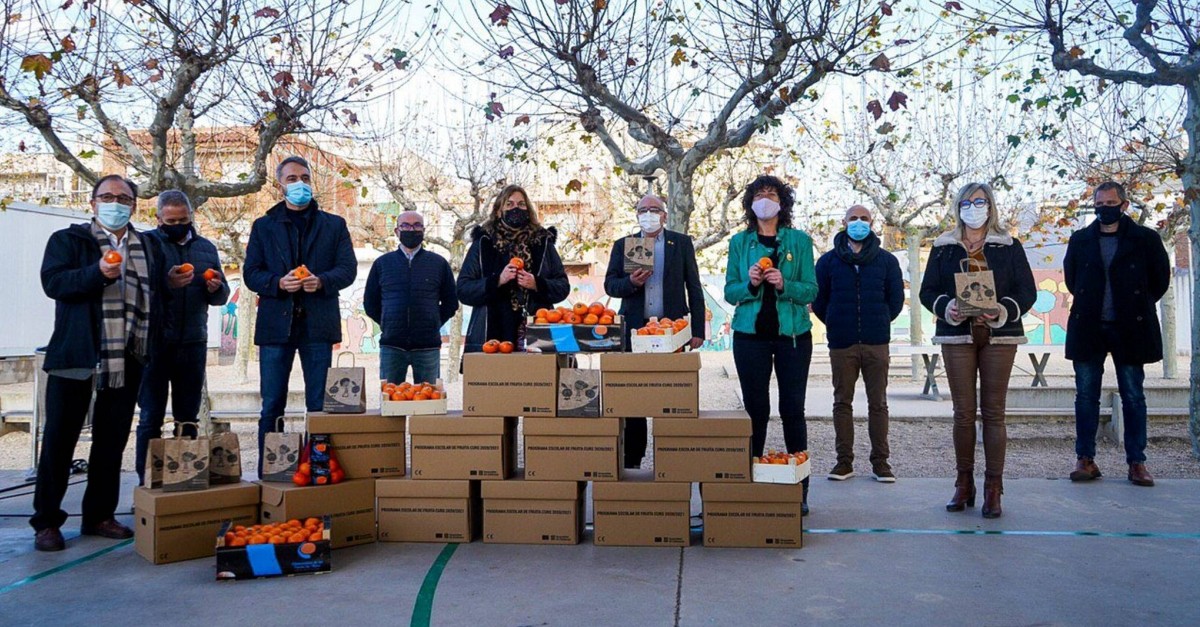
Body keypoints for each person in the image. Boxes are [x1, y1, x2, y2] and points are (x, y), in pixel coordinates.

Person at [31, 174, 158, 551]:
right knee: (59, 439)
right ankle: (47, 521)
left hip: (127, 357)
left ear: (134, 205)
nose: (115, 203)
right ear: (92, 203)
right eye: (107, 196)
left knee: (111, 440)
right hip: (77, 354)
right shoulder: (68, 240)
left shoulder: (147, 245)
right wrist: (96, 273)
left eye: (123, 197)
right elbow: (54, 284)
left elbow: (155, 294)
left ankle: (99, 515)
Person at [920, 182, 1035, 519]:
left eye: (980, 201)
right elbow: (928, 291)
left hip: (1000, 336)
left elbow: (1027, 291)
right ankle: (963, 482)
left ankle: (994, 487)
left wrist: (1002, 310)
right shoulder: (943, 247)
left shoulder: (1009, 245)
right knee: (963, 412)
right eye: (967, 202)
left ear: (991, 206)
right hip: (957, 335)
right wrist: (947, 307)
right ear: (958, 207)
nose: (973, 207)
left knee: (994, 413)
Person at [243, 156, 357, 475]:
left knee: (319, 405)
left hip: (317, 326)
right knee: (272, 403)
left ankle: (317, 468)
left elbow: (347, 269)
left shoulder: (334, 225)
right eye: (292, 178)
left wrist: (322, 281)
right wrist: (277, 283)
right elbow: (251, 273)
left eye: (304, 177)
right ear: (280, 185)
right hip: (275, 327)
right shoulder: (264, 226)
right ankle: (273, 469)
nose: (300, 184)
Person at [1064, 181, 1170, 487]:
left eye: (1110, 203)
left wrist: (1133, 304)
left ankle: (1137, 462)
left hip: (1130, 327)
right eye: (1099, 203)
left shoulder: (1146, 239)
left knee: (1133, 396)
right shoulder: (1080, 239)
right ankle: (1085, 459)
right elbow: (1073, 280)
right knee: (1085, 397)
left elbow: (1159, 281)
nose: (1104, 209)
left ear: (1124, 205)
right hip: (1089, 326)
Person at [723, 175, 817, 514]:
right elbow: (729, 292)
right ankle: (751, 481)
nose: (765, 199)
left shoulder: (800, 241)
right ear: (750, 204)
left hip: (793, 336)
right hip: (750, 338)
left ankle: (799, 488)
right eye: (759, 194)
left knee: (793, 410)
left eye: (772, 194)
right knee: (756, 411)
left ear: (782, 203)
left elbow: (811, 290)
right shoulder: (739, 242)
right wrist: (749, 284)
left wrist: (784, 284)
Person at [603, 193, 707, 469]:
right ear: (636, 215)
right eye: (642, 209)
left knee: (670, 397)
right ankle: (633, 462)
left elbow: (694, 287)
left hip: (671, 333)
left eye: (654, 209)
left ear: (664, 214)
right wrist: (631, 283)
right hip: (636, 334)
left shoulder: (680, 243)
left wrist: (697, 329)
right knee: (633, 399)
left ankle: (671, 463)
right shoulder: (625, 245)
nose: (648, 214)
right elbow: (610, 286)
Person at [134, 190, 230, 486]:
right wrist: (166, 283)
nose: (178, 224)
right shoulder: (146, 244)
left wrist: (216, 289)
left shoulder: (206, 248)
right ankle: (148, 481)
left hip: (193, 342)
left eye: (183, 219)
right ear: (158, 218)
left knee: (188, 416)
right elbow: (136, 290)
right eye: (171, 220)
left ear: (191, 217)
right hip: (155, 344)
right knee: (150, 416)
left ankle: (187, 477)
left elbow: (222, 294)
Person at [813, 204, 904, 483]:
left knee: (878, 404)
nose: (859, 222)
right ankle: (843, 463)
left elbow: (896, 300)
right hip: (842, 343)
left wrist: (879, 320)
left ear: (872, 223)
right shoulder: (827, 262)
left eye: (864, 218)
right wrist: (836, 321)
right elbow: (819, 300)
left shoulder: (887, 261)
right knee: (842, 402)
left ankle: (881, 463)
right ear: (844, 222)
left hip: (877, 342)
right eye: (853, 218)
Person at [457, 184, 570, 355]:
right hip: (492, 330)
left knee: (536, 381)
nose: (515, 208)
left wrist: (537, 284)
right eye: (509, 204)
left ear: (528, 209)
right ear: (498, 211)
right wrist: (497, 280)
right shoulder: (483, 243)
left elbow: (562, 287)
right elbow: (464, 290)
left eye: (521, 204)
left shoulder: (543, 242)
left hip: (537, 330)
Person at [364, 211, 458, 384]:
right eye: (405, 226)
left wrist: (433, 322)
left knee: (428, 404)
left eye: (416, 225)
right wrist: (388, 323)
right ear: (397, 231)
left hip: (427, 347)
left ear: (423, 230)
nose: (411, 229)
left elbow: (451, 303)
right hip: (391, 346)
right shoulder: (382, 264)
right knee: (391, 404)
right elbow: (370, 303)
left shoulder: (438, 263)